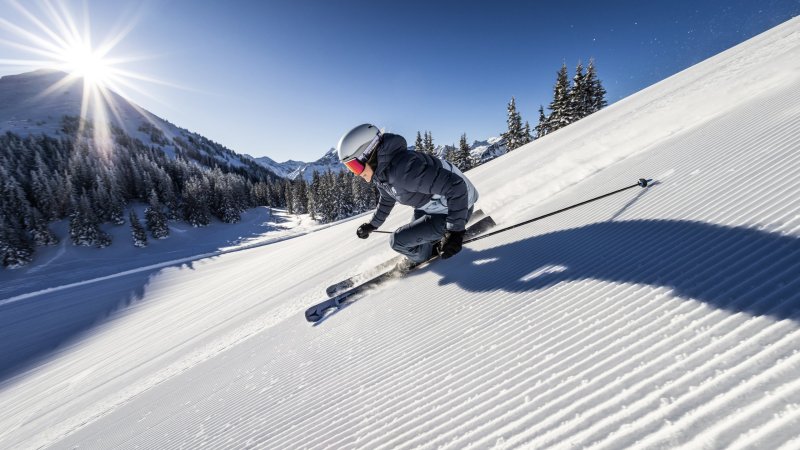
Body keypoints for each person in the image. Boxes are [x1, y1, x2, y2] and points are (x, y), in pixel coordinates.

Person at [337, 123, 479, 266]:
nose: (358, 174)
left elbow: (455, 185)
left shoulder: (404, 171)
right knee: (411, 236)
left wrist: (455, 232)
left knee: (397, 241)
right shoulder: (383, 173)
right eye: (351, 168)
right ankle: (429, 243)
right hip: (434, 207)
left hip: (458, 207)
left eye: (355, 166)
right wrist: (372, 225)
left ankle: (425, 255)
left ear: (369, 154)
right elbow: (386, 199)